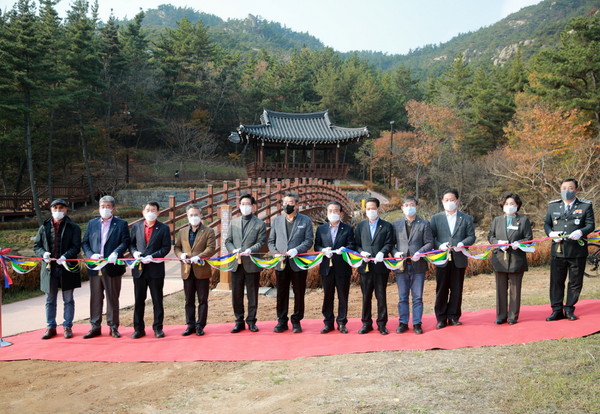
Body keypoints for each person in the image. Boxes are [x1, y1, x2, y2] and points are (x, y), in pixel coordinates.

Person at [544, 178, 595, 321]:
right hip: (558, 250)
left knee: (575, 282)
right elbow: (547, 224)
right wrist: (551, 234)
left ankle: (569, 309)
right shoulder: (553, 206)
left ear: (576, 189)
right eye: (564, 188)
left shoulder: (585, 206)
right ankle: (556, 310)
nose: (567, 191)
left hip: (577, 251)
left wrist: (581, 232)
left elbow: (590, 224)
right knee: (556, 281)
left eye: (570, 188)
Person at [81, 195, 131, 338]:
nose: (105, 209)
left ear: (113, 209)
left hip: (112, 266)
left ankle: (113, 326)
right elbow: (85, 242)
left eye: (108, 207)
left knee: (112, 297)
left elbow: (125, 241)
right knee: (95, 297)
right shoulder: (92, 224)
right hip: (95, 266)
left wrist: (116, 252)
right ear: (99, 208)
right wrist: (91, 254)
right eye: (102, 207)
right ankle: (95, 326)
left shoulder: (121, 224)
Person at [33, 199, 81, 340]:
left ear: (66, 210)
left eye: (61, 208)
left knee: (68, 299)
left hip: (67, 267)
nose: (58, 210)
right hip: (49, 268)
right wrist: (43, 254)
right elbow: (37, 246)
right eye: (55, 208)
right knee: (50, 299)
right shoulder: (44, 227)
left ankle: (67, 326)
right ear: (51, 210)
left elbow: (76, 246)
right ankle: (50, 326)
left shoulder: (73, 227)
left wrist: (66, 256)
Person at [268, 192, 314, 333]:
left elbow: (309, 240)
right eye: (285, 203)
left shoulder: (305, 220)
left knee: (299, 292)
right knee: (281, 292)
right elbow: (271, 241)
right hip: (281, 263)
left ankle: (296, 320)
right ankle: (282, 321)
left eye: (291, 203)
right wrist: (276, 253)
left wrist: (297, 250)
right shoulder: (276, 221)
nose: (288, 205)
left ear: (297, 204)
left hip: (298, 262)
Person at [429, 189, 476, 329]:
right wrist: (439, 245)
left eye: (452, 200)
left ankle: (454, 316)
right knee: (442, 288)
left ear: (457, 201)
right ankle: (441, 318)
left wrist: (463, 243)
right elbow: (431, 238)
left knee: (456, 289)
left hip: (459, 257)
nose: (449, 202)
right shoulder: (436, 218)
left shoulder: (466, 218)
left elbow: (472, 236)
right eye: (446, 200)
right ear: (442, 202)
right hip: (442, 259)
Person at [488, 192, 533, 325]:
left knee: (515, 289)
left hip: (516, 259)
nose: (509, 206)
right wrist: (498, 243)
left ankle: (513, 316)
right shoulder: (497, 220)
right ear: (502, 205)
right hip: (500, 258)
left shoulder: (523, 221)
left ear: (517, 205)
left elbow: (529, 238)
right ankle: (501, 315)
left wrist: (519, 243)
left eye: (512, 204)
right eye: (506, 204)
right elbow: (490, 236)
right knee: (500, 289)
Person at [224, 194, 267, 333]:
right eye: (242, 204)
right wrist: (233, 250)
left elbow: (261, 242)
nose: (245, 206)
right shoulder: (233, 222)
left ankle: (252, 321)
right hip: (237, 263)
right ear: (239, 205)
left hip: (251, 263)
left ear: (253, 206)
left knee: (252, 294)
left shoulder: (259, 224)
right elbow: (228, 241)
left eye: (247, 204)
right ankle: (239, 321)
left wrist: (250, 250)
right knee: (236, 294)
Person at [129, 201, 171, 338]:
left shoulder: (163, 228)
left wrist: (153, 256)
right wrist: (134, 253)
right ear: (143, 212)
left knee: (157, 300)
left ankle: (158, 327)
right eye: (148, 210)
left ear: (158, 213)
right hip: (139, 270)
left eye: (153, 210)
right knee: (139, 300)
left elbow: (166, 247)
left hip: (155, 269)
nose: (150, 212)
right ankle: (138, 329)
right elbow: (131, 244)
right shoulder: (136, 227)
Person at [391, 196, 433, 335]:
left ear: (417, 207)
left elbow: (429, 243)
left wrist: (420, 252)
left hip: (418, 265)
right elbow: (392, 244)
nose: (409, 207)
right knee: (402, 297)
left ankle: (417, 323)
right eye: (406, 205)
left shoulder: (424, 224)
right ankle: (403, 322)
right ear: (402, 207)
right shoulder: (395, 225)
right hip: (401, 266)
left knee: (417, 297)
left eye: (412, 205)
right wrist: (395, 253)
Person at [174, 204, 217, 336]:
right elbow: (177, 247)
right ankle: (190, 324)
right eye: (191, 215)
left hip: (202, 270)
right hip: (187, 270)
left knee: (203, 299)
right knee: (189, 300)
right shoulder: (182, 232)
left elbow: (211, 248)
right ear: (187, 216)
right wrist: (181, 255)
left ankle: (200, 325)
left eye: (196, 215)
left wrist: (199, 256)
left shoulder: (208, 231)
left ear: (201, 215)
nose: (194, 217)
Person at [354, 197, 395, 335]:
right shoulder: (360, 226)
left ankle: (382, 324)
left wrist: (383, 252)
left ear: (378, 209)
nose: (371, 211)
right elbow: (356, 244)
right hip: (365, 266)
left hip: (380, 266)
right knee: (366, 296)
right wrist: (361, 252)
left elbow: (389, 243)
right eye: (368, 208)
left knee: (381, 296)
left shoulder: (387, 226)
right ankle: (366, 323)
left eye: (373, 208)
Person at [314, 201, 356, 334]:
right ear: (327, 213)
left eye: (336, 210)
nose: (333, 213)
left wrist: (345, 249)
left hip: (342, 267)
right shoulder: (321, 229)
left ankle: (342, 322)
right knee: (328, 296)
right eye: (330, 211)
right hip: (327, 267)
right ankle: (328, 322)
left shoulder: (348, 229)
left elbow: (352, 245)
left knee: (343, 296)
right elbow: (317, 246)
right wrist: (322, 250)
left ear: (341, 213)